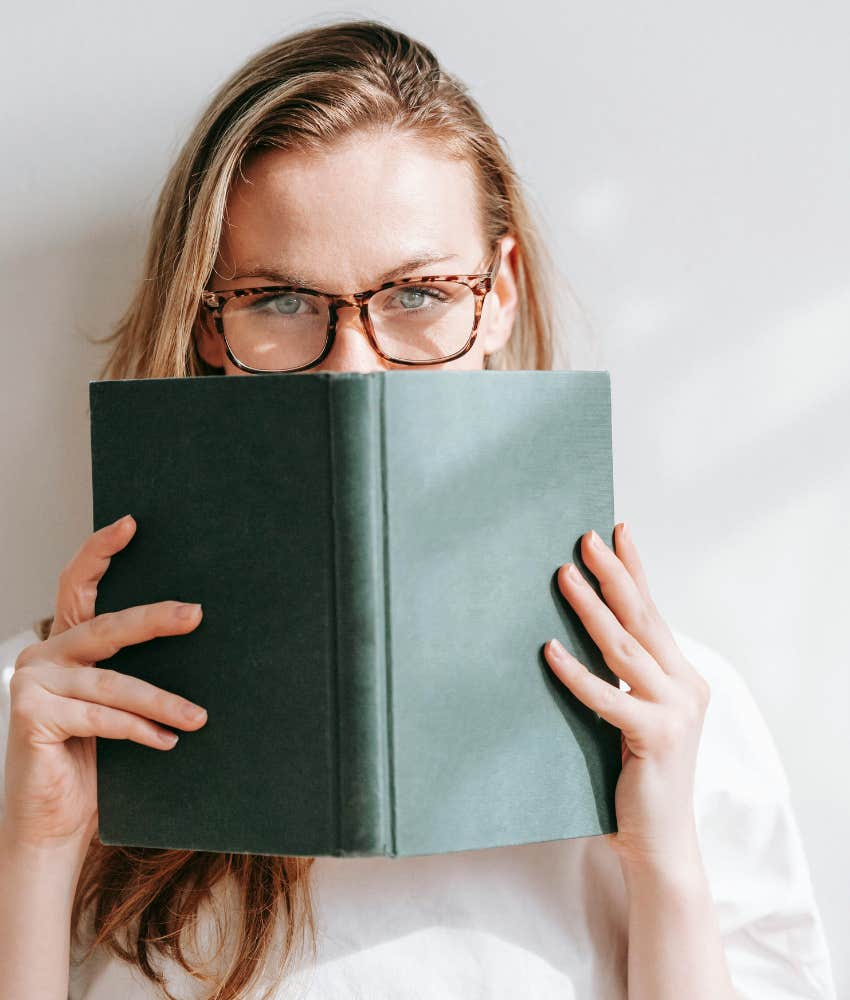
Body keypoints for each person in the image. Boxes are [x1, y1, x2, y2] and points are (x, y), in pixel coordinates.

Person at [0, 18, 836, 1000]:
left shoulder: (685, 716)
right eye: (279, 302)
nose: (356, 370)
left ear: (499, 296)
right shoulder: (49, 720)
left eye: (420, 294)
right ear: (209, 328)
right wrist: (39, 848)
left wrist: (664, 862)